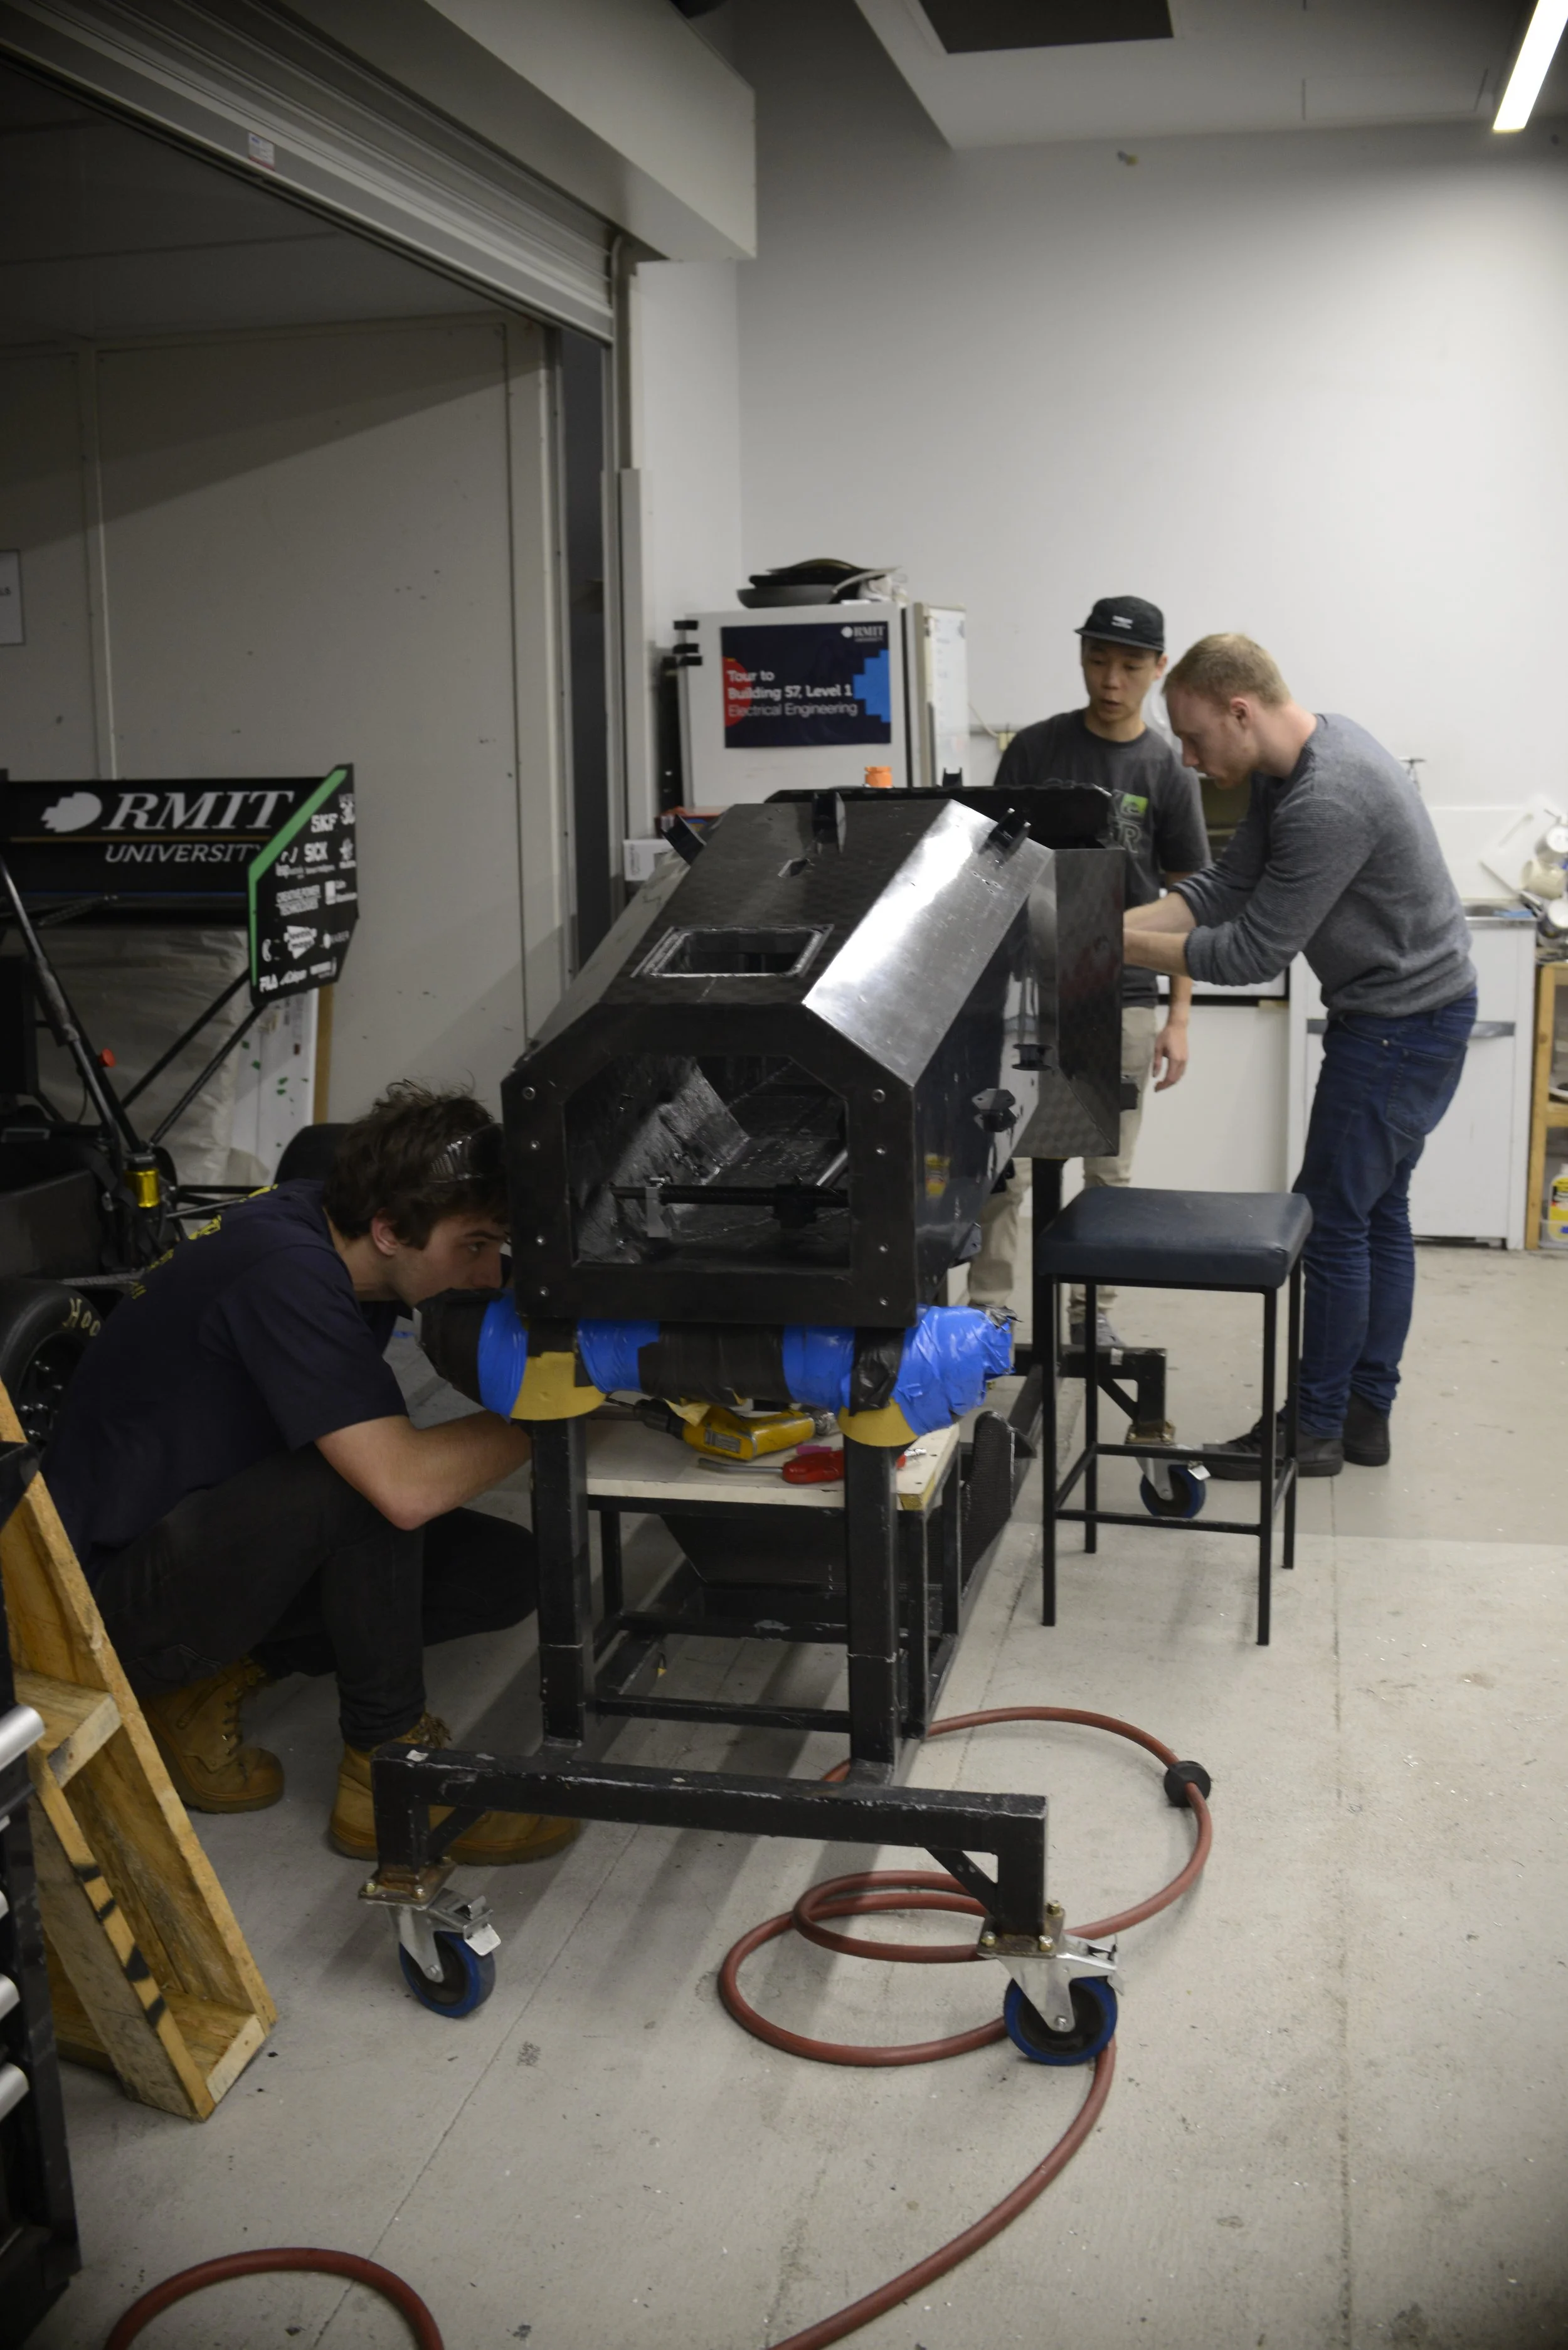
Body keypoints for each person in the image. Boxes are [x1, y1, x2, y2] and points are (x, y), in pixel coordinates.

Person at [45, 1083, 575, 1864]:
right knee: (370, 1485)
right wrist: (560, 1408)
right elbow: (402, 1484)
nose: (490, 1273)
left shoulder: (335, 1230)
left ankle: (200, 1691)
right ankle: (391, 1778)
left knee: (504, 1571)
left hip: (199, 1535)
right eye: (473, 1246)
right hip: (100, 1610)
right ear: (391, 1229)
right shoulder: (285, 1271)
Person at [1125, 634, 1476, 1478]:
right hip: (1414, 1014)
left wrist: (1109, 952)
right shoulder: (1295, 764)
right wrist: (1114, 926)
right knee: (1376, 1215)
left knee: (1330, 1225)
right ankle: (1362, 1418)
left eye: (1197, 736)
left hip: (1399, 1026)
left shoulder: (1330, 795)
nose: (1191, 757)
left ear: (1240, 711)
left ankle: (1311, 1428)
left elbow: (1250, 953)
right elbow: (1225, 886)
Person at [969, 594, 1209, 1344]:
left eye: (1130, 666)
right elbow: (988, 869)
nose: (1111, 679)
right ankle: (988, 1315)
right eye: (1098, 660)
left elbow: (1189, 899)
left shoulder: (1167, 769)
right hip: (1023, 991)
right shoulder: (1035, 752)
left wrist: (1177, 1018)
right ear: (1081, 657)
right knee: (999, 1164)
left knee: (1106, 1169)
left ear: (1157, 669)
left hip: (1126, 992)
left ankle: (1091, 1314)